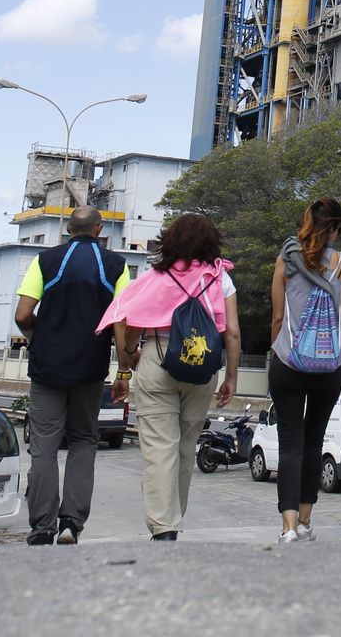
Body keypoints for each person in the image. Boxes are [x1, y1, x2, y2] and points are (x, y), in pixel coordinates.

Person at [97, 212, 240, 541]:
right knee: (186, 449)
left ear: (170, 241)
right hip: (203, 366)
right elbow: (232, 333)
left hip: (158, 358)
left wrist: (126, 361)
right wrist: (231, 376)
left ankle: (165, 528)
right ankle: (173, 518)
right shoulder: (221, 279)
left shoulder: (154, 278)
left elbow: (127, 322)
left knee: (160, 448)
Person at [14, 206, 129, 546]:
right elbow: (121, 322)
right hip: (89, 370)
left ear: (67, 229)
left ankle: (41, 527)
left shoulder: (45, 261)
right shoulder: (116, 266)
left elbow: (23, 315)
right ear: (99, 228)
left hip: (47, 368)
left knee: (44, 447)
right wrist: (123, 371)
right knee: (82, 442)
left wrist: (40, 337)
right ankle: (71, 524)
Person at [269, 197, 341, 544]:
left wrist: (277, 352)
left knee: (289, 443)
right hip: (330, 365)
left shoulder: (285, 259)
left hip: (288, 362)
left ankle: (287, 526)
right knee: (314, 441)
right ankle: (305, 520)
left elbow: (277, 317)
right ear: (334, 228)